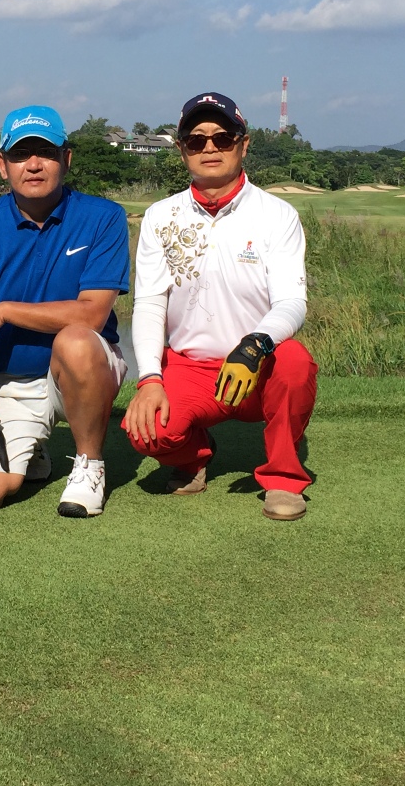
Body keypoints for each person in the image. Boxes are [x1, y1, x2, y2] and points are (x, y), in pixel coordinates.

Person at [122, 92, 319, 521]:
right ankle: (195, 455)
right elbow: (150, 303)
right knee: (148, 432)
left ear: (243, 144)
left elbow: (291, 301)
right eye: (196, 140)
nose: (209, 147)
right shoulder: (161, 216)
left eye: (223, 137)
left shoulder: (277, 215)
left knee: (295, 363)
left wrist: (255, 344)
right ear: (182, 150)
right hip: (191, 366)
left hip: (257, 365)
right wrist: (149, 378)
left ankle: (283, 477)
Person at [0, 105, 131, 518]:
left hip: (85, 370)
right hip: (13, 381)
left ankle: (90, 464)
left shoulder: (103, 217)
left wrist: (4, 311)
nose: (33, 164)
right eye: (20, 154)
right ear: (2, 164)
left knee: (75, 340)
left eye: (46, 153)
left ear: (66, 159)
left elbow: (92, 316)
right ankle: (35, 451)